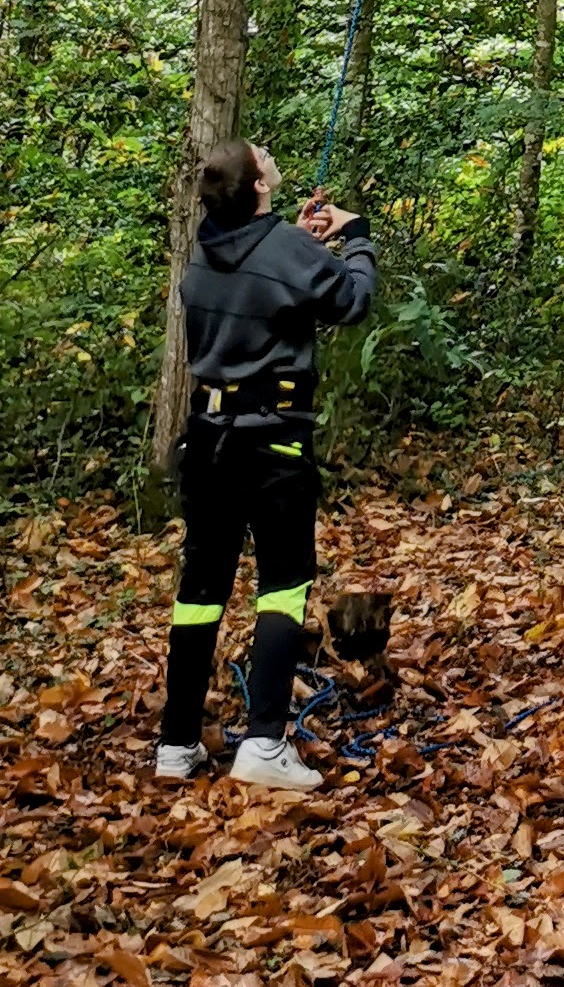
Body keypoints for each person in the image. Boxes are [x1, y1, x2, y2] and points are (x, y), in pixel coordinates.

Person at [157, 137, 376, 793]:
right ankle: (263, 743)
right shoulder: (282, 248)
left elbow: (269, 275)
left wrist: (300, 244)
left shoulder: (208, 250)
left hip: (209, 442)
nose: (269, 155)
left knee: (201, 591)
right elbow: (354, 300)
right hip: (271, 440)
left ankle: (177, 741)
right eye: (262, 157)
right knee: (283, 584)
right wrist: (354, 235)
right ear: (257, 185)